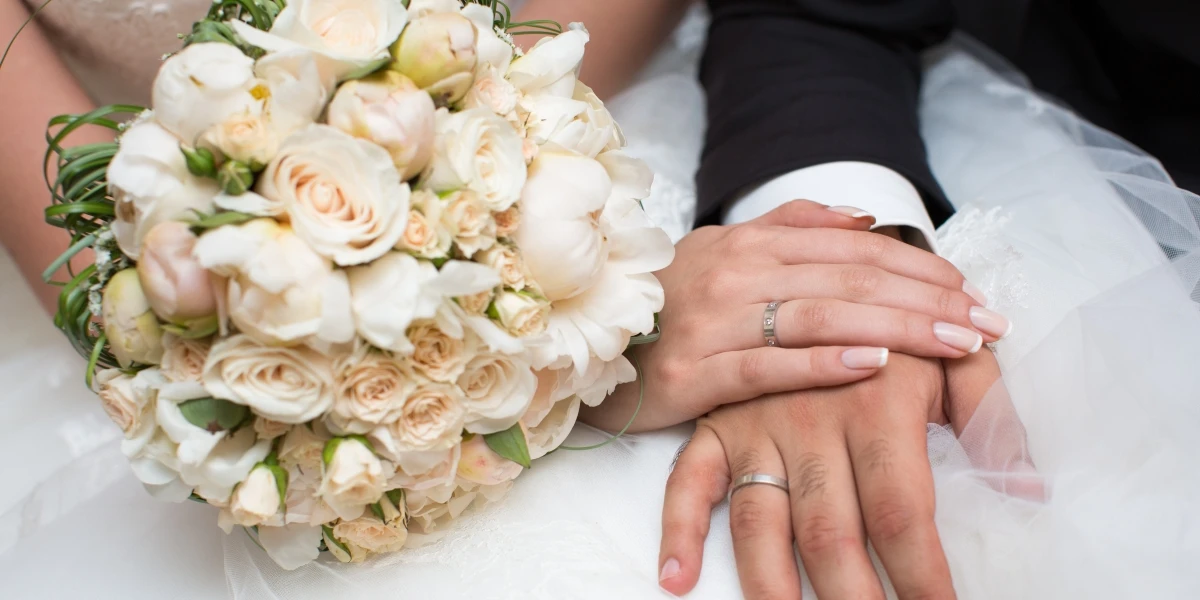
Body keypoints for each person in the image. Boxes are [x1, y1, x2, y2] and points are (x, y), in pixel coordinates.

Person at [1, 2, 1198, 600]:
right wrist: (540, 351)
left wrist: (533, 259)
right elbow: (96, 249)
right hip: (165, 288)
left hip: (593, 130)